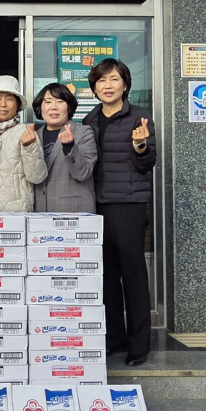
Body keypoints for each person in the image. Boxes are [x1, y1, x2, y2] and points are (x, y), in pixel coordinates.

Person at [82, 58, 157, 368]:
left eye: (114, 79)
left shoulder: (139, 117)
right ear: (94, 87)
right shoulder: (89, 119)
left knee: (133, 275)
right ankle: (115, 339)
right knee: (107, 276)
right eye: (101, 80)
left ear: (125, 84)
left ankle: (139, 346)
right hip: (97, 205)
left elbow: (147, 162)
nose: (108, 86)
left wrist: (140, 146)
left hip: (129, 205)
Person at [0, 75, 46, 212]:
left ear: (17, 105)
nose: (3, 104)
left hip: (15, 214)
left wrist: (30, 147)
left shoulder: (25, 132)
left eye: (9, 99)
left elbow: (37, 177)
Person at [31, 83, 97, 213]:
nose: (53, 107)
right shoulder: (34, 136)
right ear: (40, 107)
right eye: (48, 102)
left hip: (74, 212)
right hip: (40, 214)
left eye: (60, 101)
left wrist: (69, 147)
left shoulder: (83, 132)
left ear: (69, 106)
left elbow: (83, 173)